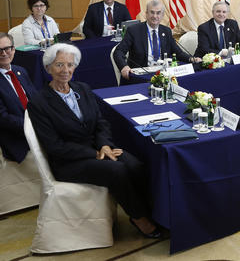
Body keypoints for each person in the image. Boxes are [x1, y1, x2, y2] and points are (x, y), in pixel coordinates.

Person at [27, 43, 161, 238]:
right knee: (117, 170)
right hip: (69, 161)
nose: (66, 70)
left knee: (135, 164)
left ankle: (149, 210)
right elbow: (55, 146)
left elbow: (101, 123)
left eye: (70, 65)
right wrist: (96, 153)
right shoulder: (39, 103)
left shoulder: (83, 88)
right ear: (48, 68)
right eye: (59, 65)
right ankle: (140, 218)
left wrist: (105, 145)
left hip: (99, 148)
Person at [113, 0, 200, 80]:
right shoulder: (134, 30)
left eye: (158, 13)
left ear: (162, 15)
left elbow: (178, 53)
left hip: (162, 74)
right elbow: (118, 51)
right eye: (152, 12)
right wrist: (124, 66)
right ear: (146, 13)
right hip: (142, 76)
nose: (155, 16)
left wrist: (191, 59)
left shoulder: (166, 31)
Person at [0, 32, 36, 163]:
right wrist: (33, 127)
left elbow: (35, 100)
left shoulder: (20, 70)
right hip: (16, 134)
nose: (4, 54)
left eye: (7, 49)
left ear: (13, 49)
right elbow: (3, 118)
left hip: (37, 125)